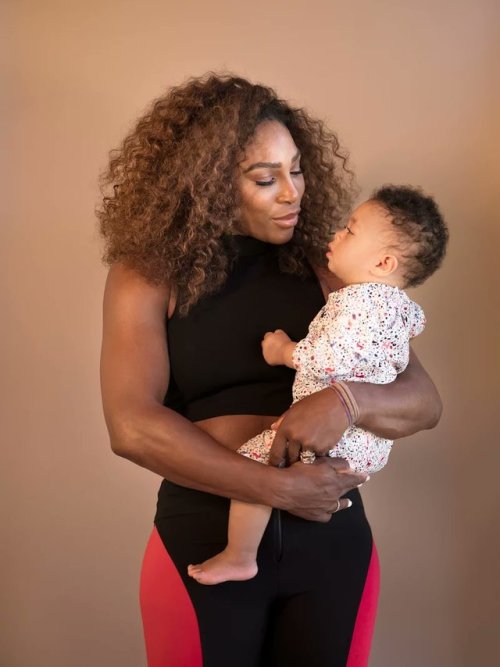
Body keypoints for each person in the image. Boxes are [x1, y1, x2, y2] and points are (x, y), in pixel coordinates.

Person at [98, 73, 442, 667]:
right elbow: (131, 424)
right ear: (205, 186)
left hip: (331, 537)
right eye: (266, 178)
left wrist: (345, 402)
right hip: (206, 531)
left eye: (298, 170)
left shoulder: (328, 267)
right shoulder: (149, 272)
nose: (293, 193)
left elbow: (423, 401)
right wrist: (275, 487)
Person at [188, 185, 448, 586]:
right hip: (365, 447)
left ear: (382, 262)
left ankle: (239, 556)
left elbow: (331, 359)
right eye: (264, 178)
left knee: (252, 469)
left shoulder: (357, 302)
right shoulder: (398, 310)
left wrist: (284, 351)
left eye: (349, 231)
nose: (336, 236)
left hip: (336, 439)